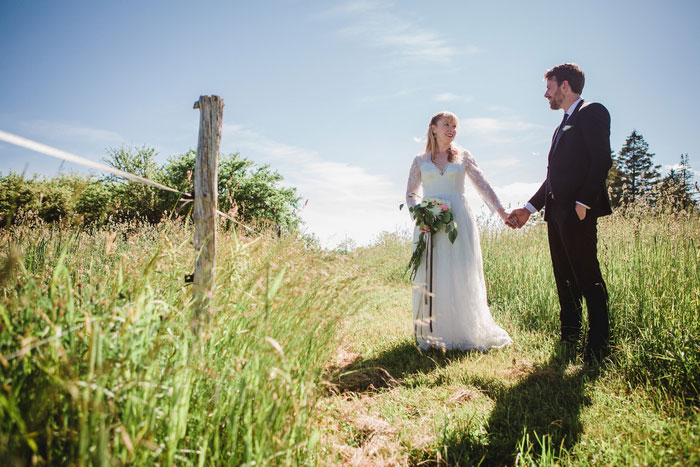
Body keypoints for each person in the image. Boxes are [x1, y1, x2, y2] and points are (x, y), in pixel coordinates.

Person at [507, 63, 612, 364]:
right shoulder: (559, 127)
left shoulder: (593, 112)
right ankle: (569, 340)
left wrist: (583, 203)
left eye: (549, 87)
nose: (546, 94)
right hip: (556, 215)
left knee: (587, 277)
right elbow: (552, 177)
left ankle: (599, 348)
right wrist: (528, 209)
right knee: (564, 279)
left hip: (578, 213)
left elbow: (602, 159)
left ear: (565, 86)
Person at [405, 111, 513, 351]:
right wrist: (419, 214)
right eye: (446, 125)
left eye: (455, 126)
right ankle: (433, 332)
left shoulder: (463, 157)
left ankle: (463, 330)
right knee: (435, 272)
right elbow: (412, 194)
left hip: (459, 221)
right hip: (429, 224)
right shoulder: (420, 160)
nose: (451, 129)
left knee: (460, 271)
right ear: (433, 128)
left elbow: (483, 185)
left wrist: (502, 212)